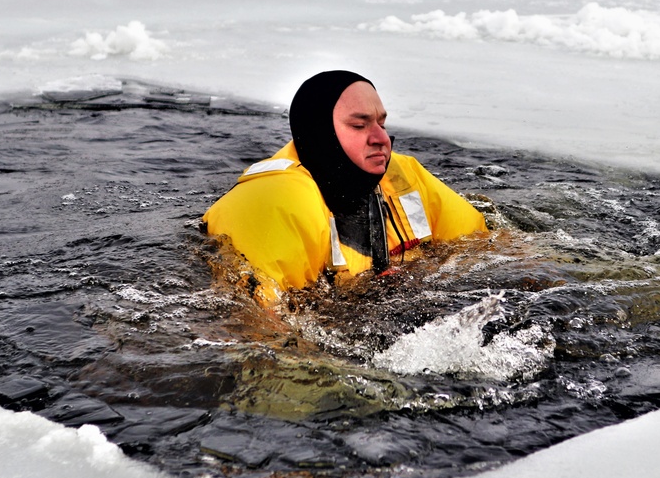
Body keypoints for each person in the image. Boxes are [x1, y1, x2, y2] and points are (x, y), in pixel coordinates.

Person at [202, 70, 488, 307]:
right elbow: (256, 331)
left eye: (381, 123)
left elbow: (491, 250)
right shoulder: (280, 200)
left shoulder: (404, 174)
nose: (381, 138)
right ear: (320, 133)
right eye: (359, 125)